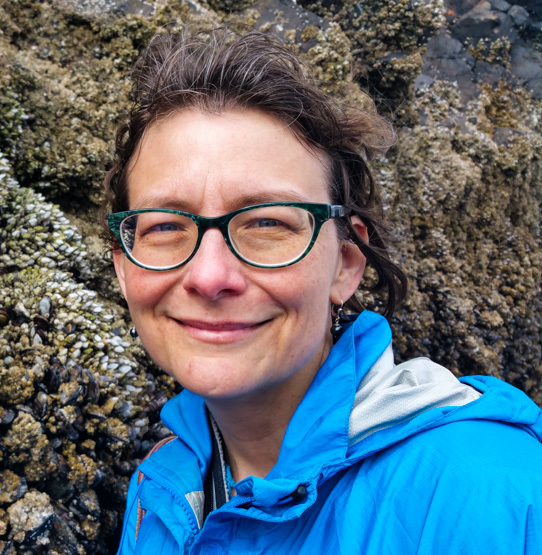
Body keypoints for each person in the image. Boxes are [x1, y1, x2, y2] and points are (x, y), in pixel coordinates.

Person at [102, 28, 542, 554]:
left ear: (346, 264)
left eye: (267, 223)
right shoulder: (163, 484)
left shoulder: (492, 490)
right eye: (165, 226)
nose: (209, 276)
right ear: (124, 268)